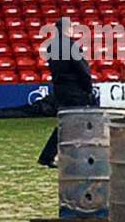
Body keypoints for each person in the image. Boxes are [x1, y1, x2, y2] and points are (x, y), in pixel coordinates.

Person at [37, 16, 95, 168]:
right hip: (75, 90)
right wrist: (88, 88)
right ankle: (77, 156)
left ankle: (48, 156)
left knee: (65, 123)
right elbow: (82, 69)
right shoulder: (72, 46)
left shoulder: (51, 47)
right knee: (80, 123)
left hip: (60, 89)